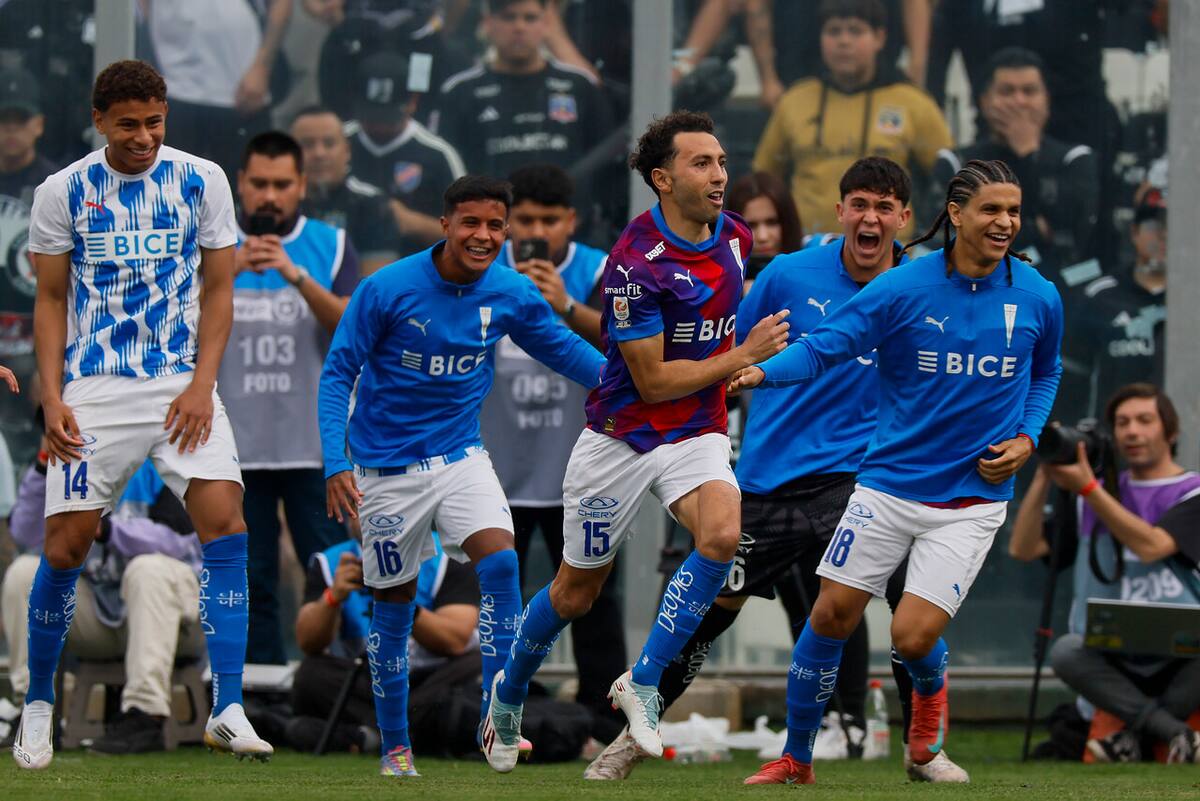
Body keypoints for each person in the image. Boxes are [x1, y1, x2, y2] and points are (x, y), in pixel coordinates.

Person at [588, 157, 966, 782]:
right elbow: (723, 349)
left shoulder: (926, 286)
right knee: (712, 609)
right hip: (769, 480)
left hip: (867, 479)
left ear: (905, 219)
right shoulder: (789, 274)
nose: (870, 218)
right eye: (859, 204)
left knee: (909, 607)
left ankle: (922, 749)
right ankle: (630, 738)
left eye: (885, 207)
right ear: (841, 211)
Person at [728, 159, 1063, 784]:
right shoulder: (902, 287)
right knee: (831, 615)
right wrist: (759, 371)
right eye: (991, 209)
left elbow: (1045, 372)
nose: (1006, 222)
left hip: (970, 499)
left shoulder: (1039, 294)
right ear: (956, 215)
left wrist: (1027, 436)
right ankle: (797, 758)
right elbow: (825, 344)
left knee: (910, 638)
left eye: (1013, 210)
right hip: (884, 487)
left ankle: (925, 744)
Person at [479, 110, 791, 773]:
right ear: (663, 177)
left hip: (697, 431)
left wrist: (740, 360)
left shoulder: (734, 238)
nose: (718, 175)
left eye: (721, 161)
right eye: (701, 163)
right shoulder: (633, 262)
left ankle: (642, 681)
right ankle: (505, 699)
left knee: (721, 535)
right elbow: (650, 382)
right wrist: (741, 353)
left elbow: (704, 364)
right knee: (574, 593)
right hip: (621, 438)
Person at [16, 59, 270, 769]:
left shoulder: (201, 178)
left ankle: (226, 705)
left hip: (179, 384)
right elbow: (50, 299)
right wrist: (53, 393)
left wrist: (200, 384)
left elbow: (220, 291)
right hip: (95, 386)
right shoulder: (63, 190)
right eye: (128, 124)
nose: (143, 136)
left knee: (227, 523)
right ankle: (38, 703)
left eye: (154, 122)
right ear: (99, 120)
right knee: (63, 547)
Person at [318, 174, 606, 777]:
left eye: (494, 226)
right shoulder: (386, 288)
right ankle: (395, 747)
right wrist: (336, 463)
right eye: (470, 223)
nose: (483, 236)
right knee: (393, 606)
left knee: (501, 563)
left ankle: (494, 718)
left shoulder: (510, 290)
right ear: (446, 224)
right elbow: (337, 373)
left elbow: (561, 348)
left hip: (460, 458)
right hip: (384, 471)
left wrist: (631, 390)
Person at [478, 163, 625, 740]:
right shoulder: (486, 268)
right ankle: (496, 706)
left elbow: (626, 348)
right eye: (526, 221)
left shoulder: (602, 270)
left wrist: (564, 305)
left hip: (581, 469)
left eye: (548, 220)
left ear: (571, 220)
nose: (536, 232)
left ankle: (602, 719)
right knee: (498, 595)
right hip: (497, 469)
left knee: (593, 596)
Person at [222, 131, 359, 665]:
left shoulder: (331, 244)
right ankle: (256, 695)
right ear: (241, 184)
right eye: (259, 184)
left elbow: (352, 328)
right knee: (250, 574)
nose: (269, 197)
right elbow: (177, 326)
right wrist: (228, 270)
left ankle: (337, 687)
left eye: (282, 184)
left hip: (316, 448)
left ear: (302, 185)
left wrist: (294, 275)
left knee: (328, 569)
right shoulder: (212, 247)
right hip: (234, 447)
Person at [1010, 384, 1200, 764]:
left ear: (1171, 431)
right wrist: (1045, 475)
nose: (1132, 432)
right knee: (1065, 651)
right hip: (1109, 659)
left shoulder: (1192, 493)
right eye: (1122, 423)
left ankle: (1132, 735)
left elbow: (1152, 546)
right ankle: (1173, 733)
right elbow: (1023, 548)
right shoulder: (1092, 495)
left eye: (1145, 421)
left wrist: (1089, 489)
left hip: (1182, 657)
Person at [3, 458, 204, 754]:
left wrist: (106, 529)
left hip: (176, 617)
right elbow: (24, 533)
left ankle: (146, 714)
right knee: (26, 572)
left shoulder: (162, 456)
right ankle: (34, 711)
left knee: (148, 570)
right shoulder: (71, 464)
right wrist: (45, 465)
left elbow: (179, 542)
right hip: (100, 614)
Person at [752, 0, 951, 236]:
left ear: (879, 38)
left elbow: (952, 177)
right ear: (821, 39)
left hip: (893, 258)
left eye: (856, 31)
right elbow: (763, 181)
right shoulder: (793, 101)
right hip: (807, 253)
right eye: (833, 31)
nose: (843, 41)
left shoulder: (913, 103)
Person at [289, 535, 483, 757]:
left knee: (477, 663)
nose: (366, 510)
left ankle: (369, 735)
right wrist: (333, 596)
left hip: (432, 676)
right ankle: (405, 732)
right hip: (370, 679)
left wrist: (397, 598)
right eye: (356, 503)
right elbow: (308, 643)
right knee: (311, 674)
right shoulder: (330, 561)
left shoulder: (448, 556)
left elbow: (454, 640)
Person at [936, 47, 1098, 289]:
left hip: (1058, 291)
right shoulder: (956, 162)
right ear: (984, 101)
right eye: (1007, 91)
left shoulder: (1075, 159)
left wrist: (1027, 153)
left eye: (1029, 91)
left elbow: (1075, 232)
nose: (1019, 101)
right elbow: (949, 237)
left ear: (1047, 100)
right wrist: (1039, 227)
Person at [434, 0, 614, 182]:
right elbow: (444, 169)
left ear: (546, 24)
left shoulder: (579, 86)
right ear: (488, 23)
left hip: (565, 208)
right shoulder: (460, 91)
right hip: (492, 208)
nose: (519, 27)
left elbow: (606, 161)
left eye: (530, 18)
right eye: (508, 17)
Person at [142, 0, 292, 178]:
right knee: (174, 188)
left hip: (240, 89)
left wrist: (263, 66)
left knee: (244, 185)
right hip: (175, 89)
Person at [346, 52, 465, 253]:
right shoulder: (335, 143)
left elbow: (468, 233)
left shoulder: (438, 155)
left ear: (413, 101)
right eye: (371, 117)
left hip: (416, 268)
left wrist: (413, 223)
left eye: (387, 118)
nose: (379, 126)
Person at [0, 67, 58, 468]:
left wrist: (50, 366)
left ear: (38, 125)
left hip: (35, 335)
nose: (10, 131)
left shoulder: (55, 185)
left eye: (20, 122)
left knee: (40, 445)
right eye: (3, 122)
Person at [1070, 189, 1167, 414]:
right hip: (1115, 437)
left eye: (1173, 227)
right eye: (1155, 227)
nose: (1164, 237)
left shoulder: (1191, 300)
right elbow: (1073, 378)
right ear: (1134, 232)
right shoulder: (1100, 297)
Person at [291, 105, 403, 274]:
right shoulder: (272, 201)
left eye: (329, 144)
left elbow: (377, 286)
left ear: (347, 150)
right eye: (307, 144)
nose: (319, 153)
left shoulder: (371, 205)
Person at [724, 172, 803, 294]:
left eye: (772, 222)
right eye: (751, 225)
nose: (762, 236)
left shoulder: (816, 260)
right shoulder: (719, 282)